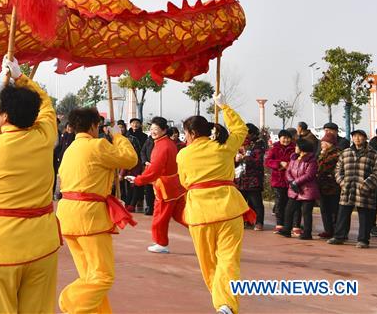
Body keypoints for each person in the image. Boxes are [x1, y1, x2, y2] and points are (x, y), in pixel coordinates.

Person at [0, 58, 60, 314]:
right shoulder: (45, 136)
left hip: (2, 245)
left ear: (3, 115)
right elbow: (47, 104)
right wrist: (21, 77)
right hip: (42, 242)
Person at [56, 107, 137, 314]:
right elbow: (130, 159)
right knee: (102, 275)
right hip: (89, 216)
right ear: (94, 126)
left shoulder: (70, 149)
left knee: (89, 276)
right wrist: (118, 137)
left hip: (67, 216)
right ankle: (69, 301)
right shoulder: (97, 145)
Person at [177, 96, 253, 314]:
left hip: (200, 214)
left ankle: (222, 303)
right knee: (228, 260)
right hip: (229, 209)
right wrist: (224, 107)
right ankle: (225, 304)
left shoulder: (183, 155)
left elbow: (184, 182)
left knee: (209, 263)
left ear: (191, 134)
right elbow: (240, 129)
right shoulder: (223, 147)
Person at [128, 116, 186, 254]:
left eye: (156, 129)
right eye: (152, 129)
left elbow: (156, 169)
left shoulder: (162, 146)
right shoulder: (167, 143)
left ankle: (161, 242)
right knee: (179, 215)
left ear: (164, 130)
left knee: (160, 216)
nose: (153, 131)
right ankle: (202, 230)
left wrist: (138, 180)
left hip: (165, 187)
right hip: (173, 186)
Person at [328, 129, 377, 248]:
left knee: (365, 216)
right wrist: (342, 182)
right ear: (352, 138)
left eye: (360, 136)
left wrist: (366, 185)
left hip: (365, 191)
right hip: (347, 189)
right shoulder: (346, 152)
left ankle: (363, 240)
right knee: (343, 214)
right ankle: (339, 237)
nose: (357, 138)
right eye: (355, 136)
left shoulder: (373, 154)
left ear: (365, 138)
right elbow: (338, 170)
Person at [276, 137, 319, 240]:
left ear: (303, 148)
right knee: (289, 210)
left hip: (307, 190)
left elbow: (309, 175)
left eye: (297, 146)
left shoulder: (311, 161)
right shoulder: (294, 158)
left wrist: (296, 182)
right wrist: (291, 181)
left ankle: (307, 233)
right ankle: (287, 229)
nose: (295, 148)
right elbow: (288, 171)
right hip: (294, 189)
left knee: (306, 212)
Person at [235, 123, 267, 231]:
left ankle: (258, 222)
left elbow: (257, 160)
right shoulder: (238, 143)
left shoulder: (259, 143)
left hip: (253, 177)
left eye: (246, 133)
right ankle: (246, 220)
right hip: (240, 177)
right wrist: (236, 159)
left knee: (256, 201)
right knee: (242, 202)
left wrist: (245, 157)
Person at [264, 130, 296, 234]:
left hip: (292, 179)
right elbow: (268, 161)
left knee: (292, 203)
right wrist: (279, 163)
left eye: (288, 138)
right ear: (280, 138)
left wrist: (290, 165)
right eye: (284, 138)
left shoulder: (295, 148)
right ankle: (279, 224)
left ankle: (293, 225)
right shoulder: (274, 148)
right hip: (278, 179)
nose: (286, 140)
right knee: (279, 203)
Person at [316, 131, 341, 239]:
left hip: (333, 186)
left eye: (324, 142)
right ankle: (328, 230)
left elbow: (326, 168)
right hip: (322, 186)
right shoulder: (323, 153)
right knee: (324, 209)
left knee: (334, 209)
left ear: (329, 143)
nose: (322, 144)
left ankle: (336, 231)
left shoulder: (337, 153)